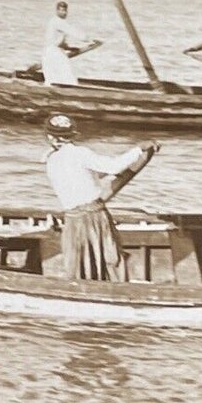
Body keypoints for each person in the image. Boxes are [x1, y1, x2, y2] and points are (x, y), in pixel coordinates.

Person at [43, 113, 157, 280]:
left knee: (79, 265)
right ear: (73, 134)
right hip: (94, 217)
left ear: (50, 137)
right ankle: (117, 289)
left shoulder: (51, 160)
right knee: (111, 259)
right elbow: (113, 167)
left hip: (72, 220)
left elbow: (84, 178)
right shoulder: (80, 153)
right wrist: (139, 148)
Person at [41, 1, 85, 86]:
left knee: (61, 76)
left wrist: (70, 48)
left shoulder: (59, 23)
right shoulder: (57, 21)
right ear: (57, 11)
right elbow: (74, 32)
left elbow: (61, 43)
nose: (64, 13)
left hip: (54, 51)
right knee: (65, 74)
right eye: (61, 10)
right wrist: (89, 39)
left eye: (65, 11)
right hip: (52, 52)